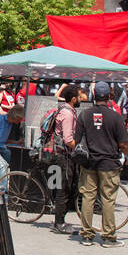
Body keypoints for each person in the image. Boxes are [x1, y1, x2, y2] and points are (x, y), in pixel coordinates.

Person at [73, 81, 128, 246]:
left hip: (89, 163)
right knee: (108, 199)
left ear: (94, 96)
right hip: (109, 163)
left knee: (88, 197)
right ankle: (108, 236)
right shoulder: (115, 116)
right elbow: (123, 144)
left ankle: (86, 234)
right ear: (109, 96)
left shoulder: (84, 115)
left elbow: (76, 140)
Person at [50, 85, 82, 235]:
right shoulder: (68, 114)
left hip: (62, 153)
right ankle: (59, 223)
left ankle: (60, 219)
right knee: (63, 188)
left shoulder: (65, 110)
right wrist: (80, 145)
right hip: (64, 155)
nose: (82, 98)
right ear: (74, 99)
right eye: (80, 96)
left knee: (65, 187)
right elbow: (68, 139)